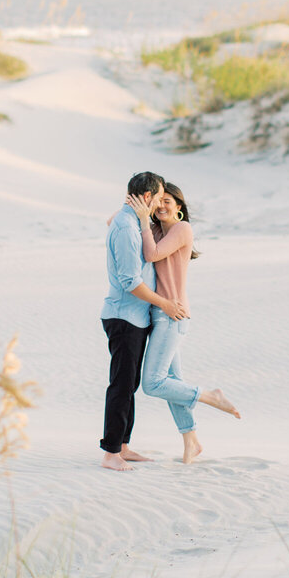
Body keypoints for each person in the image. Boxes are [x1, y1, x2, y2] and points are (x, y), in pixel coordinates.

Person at [127, 182, 240, 464]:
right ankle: (191, 441)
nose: (162, 206)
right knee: (172, 381)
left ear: (179, 207)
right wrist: (139, 209)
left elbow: (152, 255)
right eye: (158, 201)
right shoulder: (155, 231)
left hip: (172, 315)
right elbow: (115, 224)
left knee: (153, 383)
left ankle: (209, 396)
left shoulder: (182, 229)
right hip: (158, 315)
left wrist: (143, 218)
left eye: (168, 201)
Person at [99, 171, 187, 472]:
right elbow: (129, 281)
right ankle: (111, 452)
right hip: (124, 316)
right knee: (121, 385)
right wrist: (165, 304)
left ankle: (123, 445)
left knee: (130, 383)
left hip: (136, 316)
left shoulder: (133, 221)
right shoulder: (126, 228)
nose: (160, 204)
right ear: (147, 198)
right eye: (158, 197)